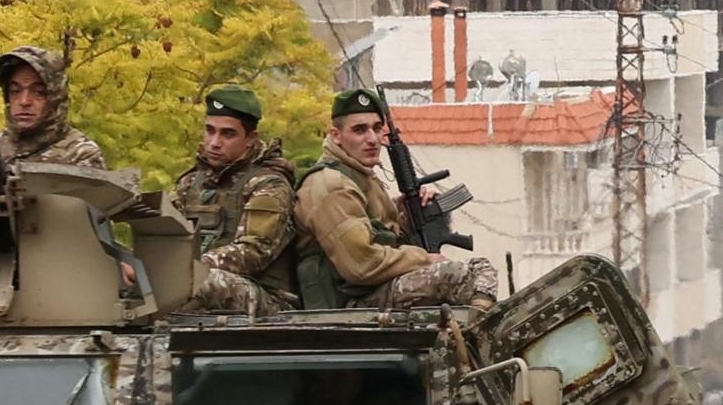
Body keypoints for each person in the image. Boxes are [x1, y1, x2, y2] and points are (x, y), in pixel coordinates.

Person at [295, 88, 493, 311]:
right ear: (336, 136)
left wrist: (411, 211)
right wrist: (425, 259)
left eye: (377, 128)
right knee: (454, 275)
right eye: (359, 130)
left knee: (481, 269)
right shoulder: (331, 186)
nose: (372, 139)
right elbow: (362, 264)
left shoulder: (360, 176)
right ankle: (475, 336)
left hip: (371, 289)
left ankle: (474, 332)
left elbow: (388, 235)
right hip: (348, 301)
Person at [171, 84, 300, 313]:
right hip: (196, 283)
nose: (214, 142)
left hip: (265, 300)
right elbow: (167, 238)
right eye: (210, 130)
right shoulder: (190, 183)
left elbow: (254, 252)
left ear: (251, 138)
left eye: (227, 133)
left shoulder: (269, 184)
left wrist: (192, 268)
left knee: (203, 281)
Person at [0, 43, 111, 189]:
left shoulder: (81, 154)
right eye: (15, 91)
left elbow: (86, 219)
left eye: (39, 93)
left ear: (55, 97)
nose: (24, 101)